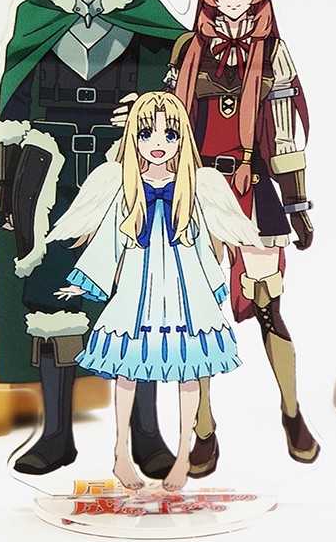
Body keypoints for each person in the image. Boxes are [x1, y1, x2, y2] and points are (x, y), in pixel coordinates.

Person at [0, 0, 186, 476]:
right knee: (49, 290)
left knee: (138, 288)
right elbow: (15, 92)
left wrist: (150, 106)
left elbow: (178, 59)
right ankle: (56, 434)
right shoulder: (40, 10)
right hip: (52, 169)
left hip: (121, 164)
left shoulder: (137, 6)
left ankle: (146, 433)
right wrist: (9, 182)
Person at [47, 92, 259, 491]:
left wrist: (215, 288)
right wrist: (83, 282)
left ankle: (183, 458)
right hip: (137, 291)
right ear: (134, 138)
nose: (158, 142)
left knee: (189, 373)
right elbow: (109, 240)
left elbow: (202, 246)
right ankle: (120, 454)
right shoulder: (124, 189)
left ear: (182, 140)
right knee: (127, 372)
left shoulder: (193, 190)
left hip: (184, 291)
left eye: (169, 134)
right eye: (147, 133)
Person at [170, 0, 319, 472]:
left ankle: (292, 411)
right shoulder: (187, 52)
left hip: (253, 189)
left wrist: (297, 203)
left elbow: (284, 133)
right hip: (200, 192)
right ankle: (203, 428)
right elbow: (167, 129)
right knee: (198, 310)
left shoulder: (272, 52)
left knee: (268, 306)